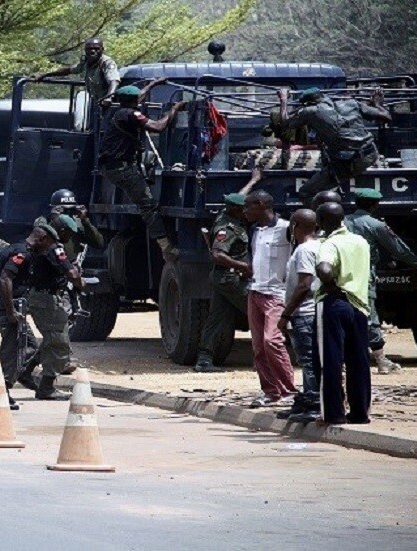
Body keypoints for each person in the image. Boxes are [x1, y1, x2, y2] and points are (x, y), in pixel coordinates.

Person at [345, 188, 417, 374]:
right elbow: (400, 251)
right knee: (369, 315)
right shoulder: (376, 225)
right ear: (375, 205)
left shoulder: (342, 222)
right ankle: (381, 361)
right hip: (363, 275)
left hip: (341, 274)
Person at [98, 84, 187, 261]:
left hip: (113, 167)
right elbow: (158, 127)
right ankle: (166, 247)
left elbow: (139, 96)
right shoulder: (130, 115)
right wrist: (174, 110)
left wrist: (154, 83)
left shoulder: (116, 111)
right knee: (148, 205)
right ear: (133, 102)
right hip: (123, 168)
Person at [278, 87, 391, 205]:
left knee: (305, 192)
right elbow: (387, 117)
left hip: (349, 162)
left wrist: (284, 100)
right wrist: (377, 104)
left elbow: (284, 123)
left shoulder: (311, 111)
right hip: (371, 154)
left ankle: (328, 218)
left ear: (308, 103)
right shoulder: (352, 103)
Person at [314, 202, 372, 425]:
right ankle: (360, 413)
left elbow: (325, 269)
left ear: (321, 222)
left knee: (330, 359)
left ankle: (334, 414)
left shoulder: (330, 243)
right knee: (359, 360)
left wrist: (329, 285)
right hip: (360, 305)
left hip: (336, 303)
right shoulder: (360, 241)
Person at [243, 190, 298, 407]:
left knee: (272, 341)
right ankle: (270, 391)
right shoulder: (256, 230)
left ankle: (289, 391)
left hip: (277, 295)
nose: (245, 211)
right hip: (255, 292)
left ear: (261, 205)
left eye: (248, 206)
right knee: (258, 347)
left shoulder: (286, 229)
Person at [0, 233, 40, 410]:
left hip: (2, 304)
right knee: (14, 348)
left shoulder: (7, 249)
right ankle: (1, 389)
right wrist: (9, 309)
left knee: (30, 346)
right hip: (9, 307)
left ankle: (18, 374)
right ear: (42, 239)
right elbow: (5, 278)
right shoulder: (22, 253)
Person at [26, 221, 85, 401]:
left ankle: (25, 370)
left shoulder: (31, 248)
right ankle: (46, 387)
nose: (68, 238)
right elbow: (72, 274)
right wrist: (81, 283)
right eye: (67, 233)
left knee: (51, 339)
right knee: (59, 342)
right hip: (49, 300)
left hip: (37, 297)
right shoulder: (54, 249)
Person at [194, 193, 251, 373]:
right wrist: (243, 266)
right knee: (260, 313)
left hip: (224, 279)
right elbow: (217, 255)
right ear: (236, 210)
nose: (247, 211)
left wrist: (254, 180)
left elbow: (237, 197)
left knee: (217, 318)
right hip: (230, 280)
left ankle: (204, 360)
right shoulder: (227, 228)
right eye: (245, 208)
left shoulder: (225, 213)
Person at [277, 209, 321, 422]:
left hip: (304, 313)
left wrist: (286, 314)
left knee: (308, 361)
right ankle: (306, 402)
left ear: (294, 226)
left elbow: (304, 284)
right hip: (315, 311)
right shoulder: (321, 246)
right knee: (312, 360)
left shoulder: (304, 250)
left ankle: (313, 404)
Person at [34, 38, 121, 107]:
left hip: (109, 104)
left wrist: (109, 97)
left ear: (102, 49)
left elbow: (114, 80)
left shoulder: (107, 62)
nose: (92, 51)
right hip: (96, 102)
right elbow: (69, 70)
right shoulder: (86, 62)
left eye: (96, 49)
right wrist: (45, 75)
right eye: (89, 49)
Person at [45, 189, 104, 262]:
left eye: (70, 210)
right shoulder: (46, 224)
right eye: (64, 210)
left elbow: (98, 244)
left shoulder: (76, 224)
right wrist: (56, 221)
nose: (66, 214)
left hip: (71, 265)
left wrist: (85, 221)